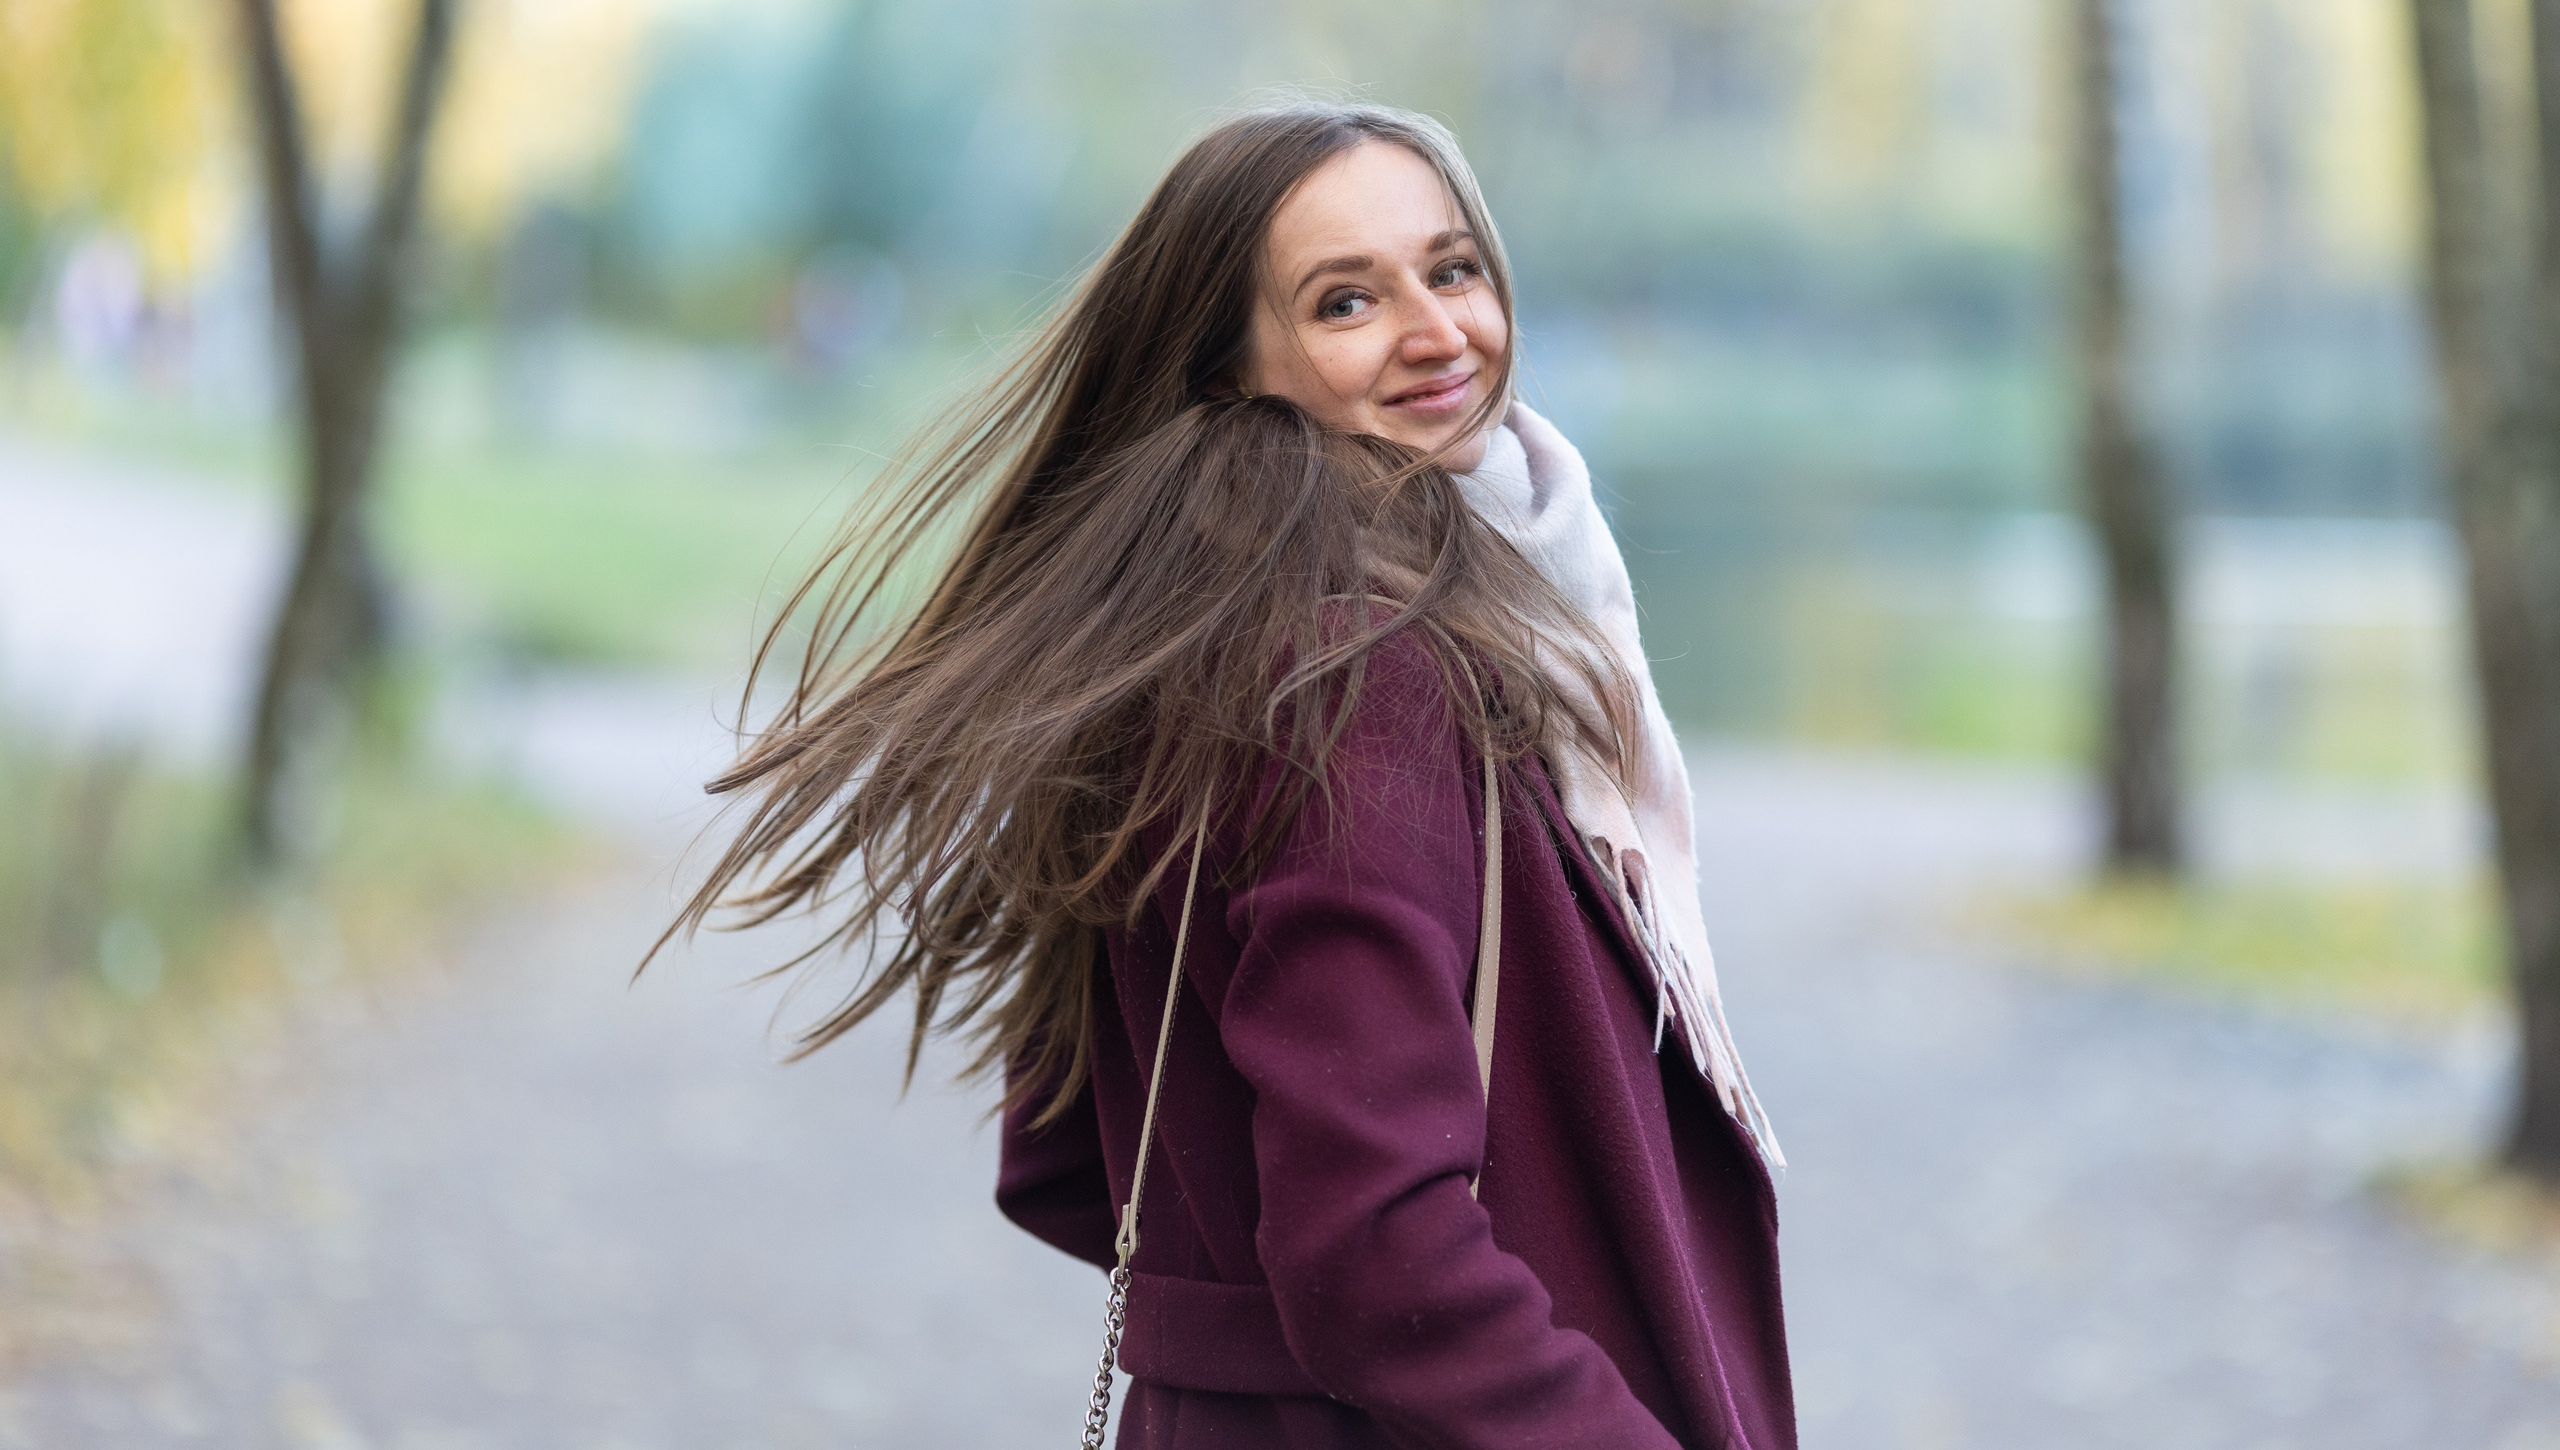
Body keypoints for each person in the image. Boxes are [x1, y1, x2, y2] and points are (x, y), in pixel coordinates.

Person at [666, 102, 1795, 1448]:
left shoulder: (1180, 637)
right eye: (1344, 302)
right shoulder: (1361, 681)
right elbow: (1378, 1253)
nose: (1437, 332)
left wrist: (1228, 1338)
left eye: (1452, 268)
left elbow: (1070, 1160)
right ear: (1234, 367)